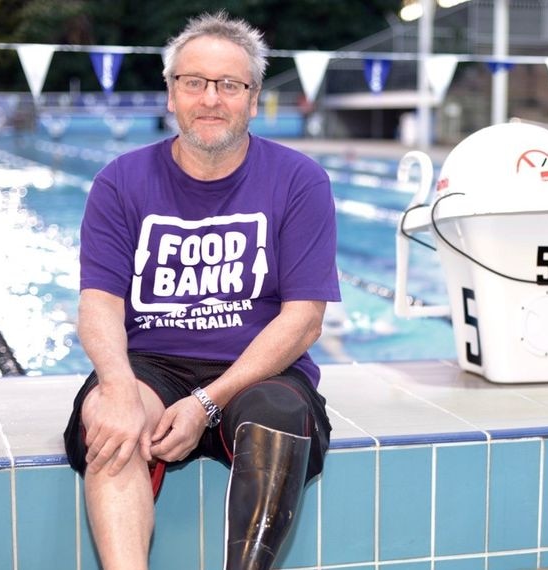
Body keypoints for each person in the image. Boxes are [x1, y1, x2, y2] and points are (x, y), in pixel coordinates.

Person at [63, 11, 340, 570]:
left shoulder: (299, 180)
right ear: (171, 93)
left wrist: (206, 404)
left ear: (253, 98)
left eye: (229, 85)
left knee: (274, 420)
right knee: (113, 417)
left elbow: (304, 319)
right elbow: (99, 305)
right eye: (194, 82)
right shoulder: (121, 181)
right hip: (151, 364)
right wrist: (117, 386)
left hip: (259, 368)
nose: (211, 99)